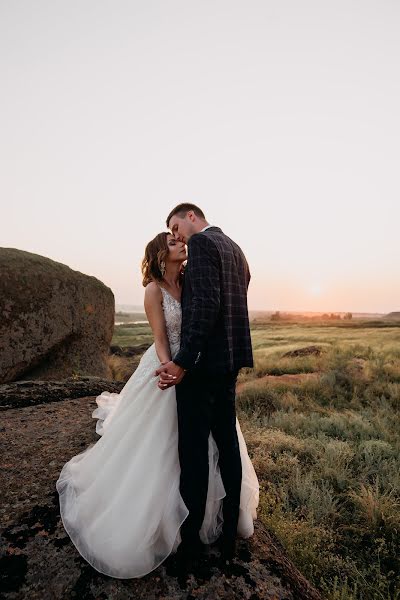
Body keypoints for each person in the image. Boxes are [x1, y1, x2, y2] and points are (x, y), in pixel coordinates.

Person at [56, 230, 259, 579]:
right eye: (173, 242)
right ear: (160, 254)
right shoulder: (154, 290)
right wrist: (172, 370)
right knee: (166, 444)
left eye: (180, 240)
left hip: (194, 370)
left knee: (206, 443)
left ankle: (210, 517)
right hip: (169, 367)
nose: (182, 244)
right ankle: (166, 522)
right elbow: (161, 338)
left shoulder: (190, 280)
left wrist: (187, 366)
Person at [156, 203, 255, 565]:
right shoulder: (234, 247)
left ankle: (192, 540)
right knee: (227, 445)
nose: (177, 234)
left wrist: (184, 361)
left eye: (175, 225)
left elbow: (206, 306)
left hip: (202, 366)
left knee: (194, 453)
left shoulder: (200, 245)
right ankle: (229, 531)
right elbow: (237, 292)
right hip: (230, 362)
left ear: (191, 216)